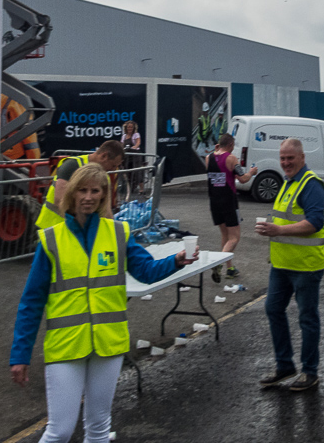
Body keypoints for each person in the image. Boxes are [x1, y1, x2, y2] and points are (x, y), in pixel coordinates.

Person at [10, 163, 197, 442]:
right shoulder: (51, 240)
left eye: (95, 191)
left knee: (98, 428)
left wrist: (176, 261)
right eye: (82, 190)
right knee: (59, 431)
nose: (88, 196)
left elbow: (145, 271)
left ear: (103, 195)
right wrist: (20, 355)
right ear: (72, 194)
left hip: (108, 345)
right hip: (66, 347)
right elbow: (31, 301)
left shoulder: (118, 232)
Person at [255, 138, 324, 391]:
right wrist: (271, 229)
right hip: (282, 265)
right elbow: (284, 220)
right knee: (273, 309)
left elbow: (315, 223)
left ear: (302, 157)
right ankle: (284, 365)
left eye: (290, 158)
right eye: (282, 158)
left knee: (307, 318)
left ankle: (310, 371)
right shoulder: (288, 183)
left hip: (306, 266)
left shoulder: (311, 185)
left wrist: (278, 229)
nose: (285, 163)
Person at [36, 141, 125, 229]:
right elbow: (59, 200)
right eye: (113, 165)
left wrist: (113, 229)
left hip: (76, 230)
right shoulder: (72, 165)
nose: (113, 170)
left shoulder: (105, 177)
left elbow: (106, 210)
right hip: (52, 226)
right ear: (104, 156)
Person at [205, 133, 258, 283]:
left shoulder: (208, 158)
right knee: (234, 237)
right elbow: (243, 178)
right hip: (228, 201)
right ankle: (218, 263)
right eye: (232, 147)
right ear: (229, 146)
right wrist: (252, 172)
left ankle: (230, 269)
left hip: (214, 201)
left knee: (225, 236)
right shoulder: (231, 159)